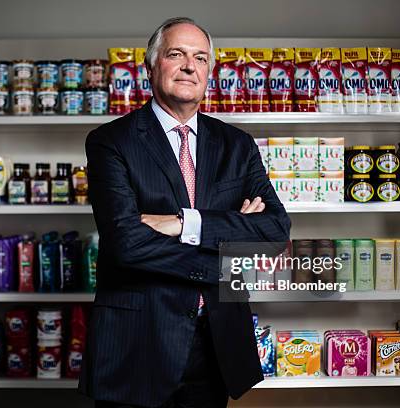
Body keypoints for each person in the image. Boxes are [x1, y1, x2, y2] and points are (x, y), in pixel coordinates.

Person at [79, 17, 291, 408]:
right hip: (138, 345)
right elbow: (126, 243)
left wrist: (184, 223)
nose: (189, 66)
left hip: (215, 346)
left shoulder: (237, 145)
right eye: (176, 54)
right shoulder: (111, 142)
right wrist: (225, 250)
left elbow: (275, 231)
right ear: (151, 65)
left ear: (209, 71)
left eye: (201, 58)